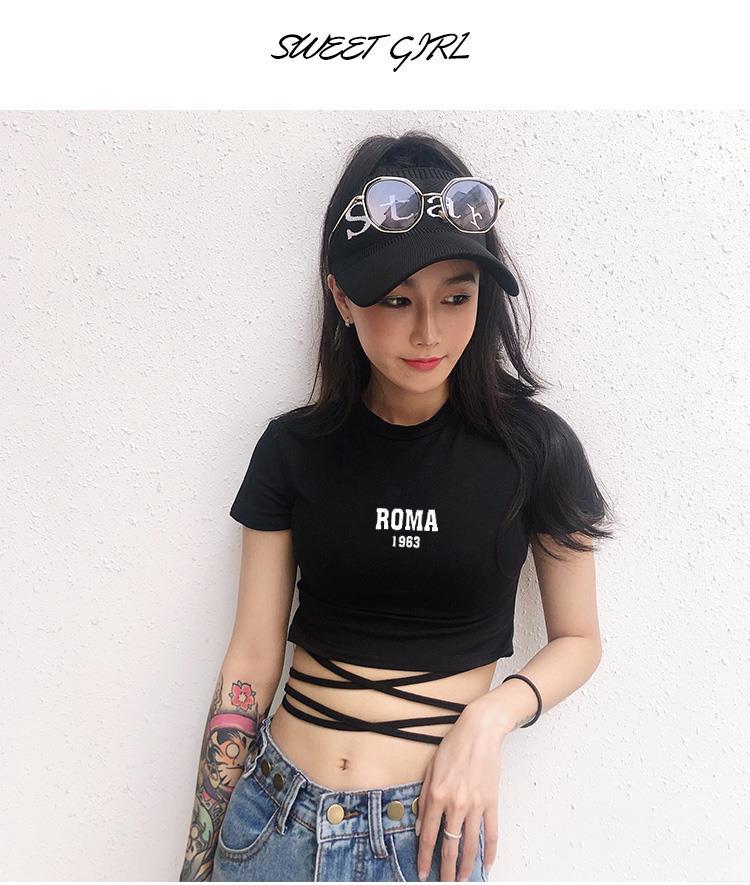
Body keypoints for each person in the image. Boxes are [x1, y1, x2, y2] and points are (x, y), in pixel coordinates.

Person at [179, 131, 615, 883]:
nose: (429, 331)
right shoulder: (292, 448)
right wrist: (198, 860)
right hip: (270, 822)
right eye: (396, 299)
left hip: (424, 839)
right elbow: (250, 657)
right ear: (342, 298)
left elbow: (579, 638)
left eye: (456, 297)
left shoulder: (536, 448)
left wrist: (492, 716)